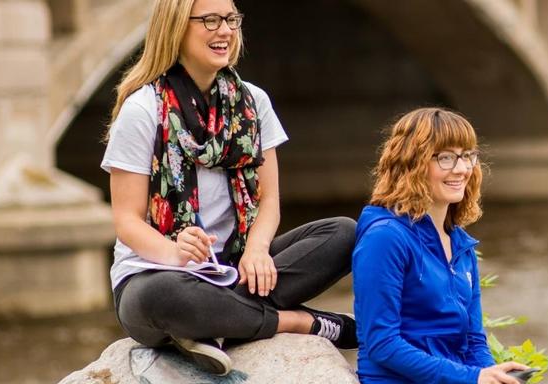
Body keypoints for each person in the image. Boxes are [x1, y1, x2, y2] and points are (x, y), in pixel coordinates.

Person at [101, 0, 357, 376]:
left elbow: (269, 200)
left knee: (344, 233)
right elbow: (127, 221)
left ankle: (215, 323)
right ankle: (300, 321)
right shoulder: (142, 110)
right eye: (210, 20)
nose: (225, 30)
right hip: (159, 273)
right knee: (164, 297)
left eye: (231, 19)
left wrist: (257, 250)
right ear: (175, 27)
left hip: (234, 266)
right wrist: (175, 252)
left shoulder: (254, 102)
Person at [352, 108, 530, 384]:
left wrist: (492, 376)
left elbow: (473, 340)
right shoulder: (385, 238)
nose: (462, 169)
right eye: (445, 157)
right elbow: (382, 344)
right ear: (411, 162)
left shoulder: (461, 245)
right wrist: (472, 377)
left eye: (467, 155)